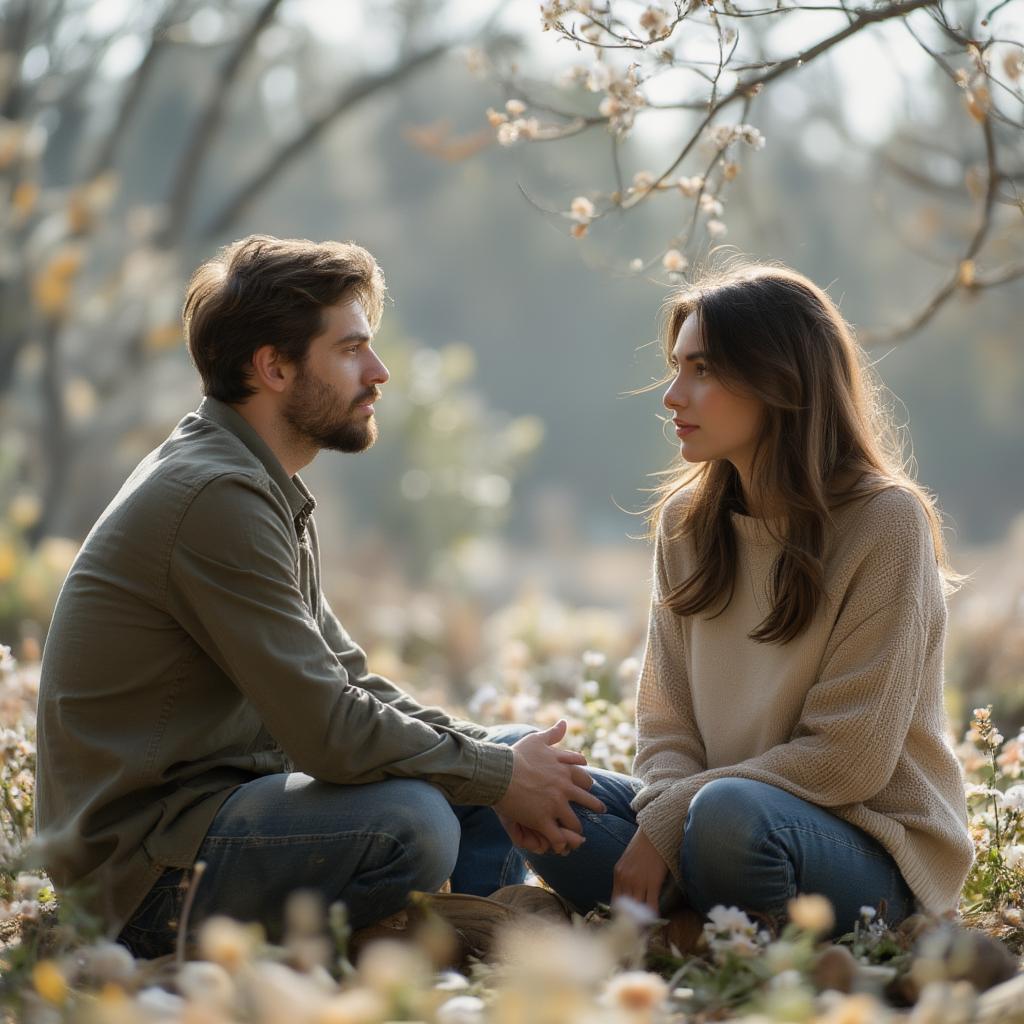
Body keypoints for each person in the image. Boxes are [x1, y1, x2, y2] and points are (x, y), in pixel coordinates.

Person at [34, 235, 602, 958]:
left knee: (498, 759)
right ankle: (430, 938)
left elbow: (352, 681)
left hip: (220, 821)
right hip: (143, 878)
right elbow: (328, 728)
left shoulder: (258, 484)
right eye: (351, 349)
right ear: (273, 366)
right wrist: (489, 775)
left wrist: (499, 766)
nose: (379, 371)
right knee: (416, 818)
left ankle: (458, 932)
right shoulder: (215, 495)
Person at [521, 262, 973, 938]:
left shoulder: (887, 523)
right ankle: (718, 927)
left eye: (701, 370)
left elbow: (848, 756)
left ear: (779, 379)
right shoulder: (685, 523)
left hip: (861, 844)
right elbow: (666, 726)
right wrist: (670, 823)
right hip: (709, 821)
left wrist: (670, 824)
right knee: (538, 789)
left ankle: (690, 927)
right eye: (676, 368)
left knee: (728, 820)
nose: (673, 395)